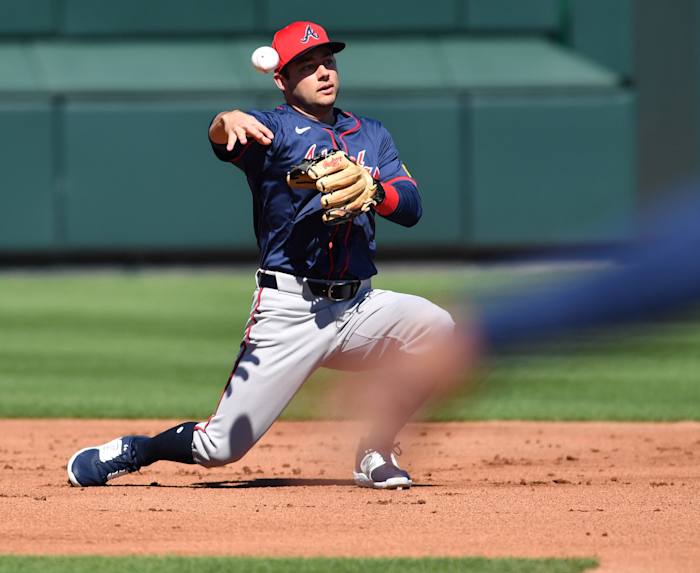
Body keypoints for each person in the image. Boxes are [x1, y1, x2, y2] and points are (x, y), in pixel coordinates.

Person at [66, 21, 454, 490]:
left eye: (327, 62)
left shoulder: (371, 134)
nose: (323, 73)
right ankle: (137, 450)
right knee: (220, 449)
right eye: (307, 67)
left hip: (358, 308)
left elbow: (411, 208)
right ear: (281, 80)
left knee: (440, 331)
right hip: (290, 310)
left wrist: (374, 189)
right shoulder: (271, 130)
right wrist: (225, 118)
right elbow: (221, 137)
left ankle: (374, 448)